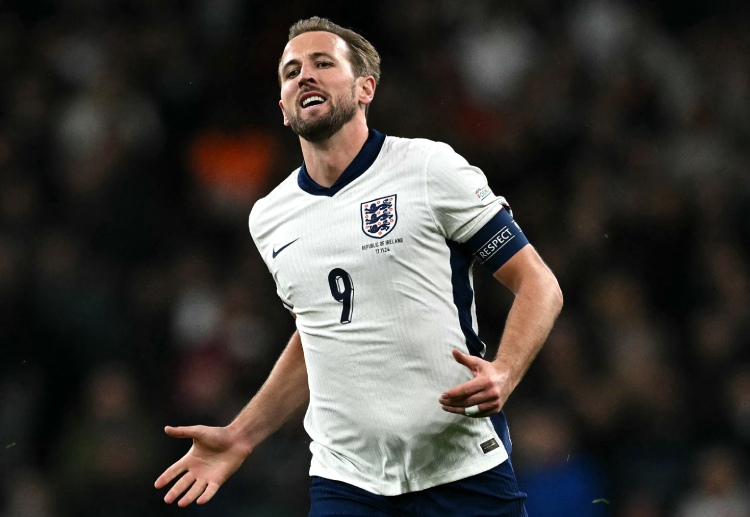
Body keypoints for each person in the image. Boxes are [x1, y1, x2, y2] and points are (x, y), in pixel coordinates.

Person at [155, 16, 563, 517]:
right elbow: (319, 332)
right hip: (346, 482)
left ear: (365, 88)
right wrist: (242, 434)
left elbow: (538, 283)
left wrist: (505, 371)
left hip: (460, 467)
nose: (305, 75)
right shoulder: (269, 218)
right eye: (291, 72)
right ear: (283, 109)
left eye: (323, 63)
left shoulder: (428, 168)